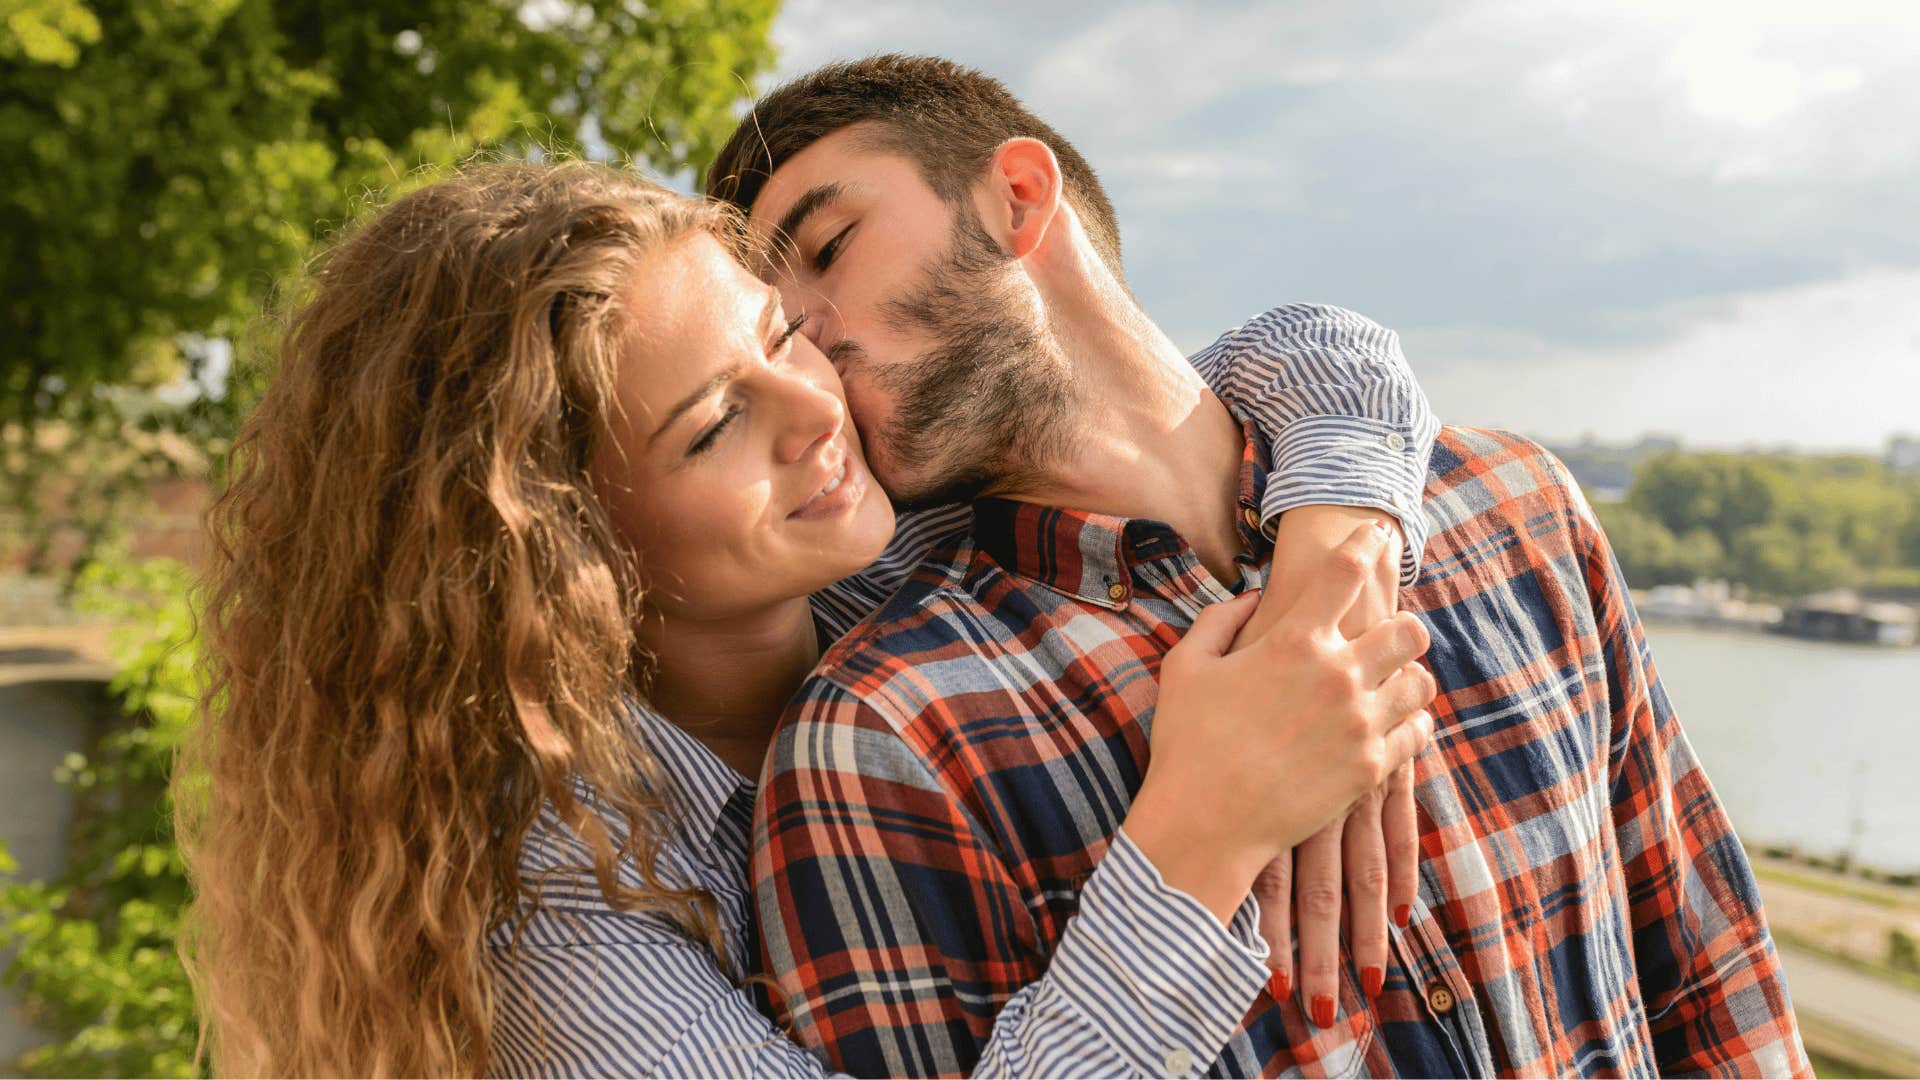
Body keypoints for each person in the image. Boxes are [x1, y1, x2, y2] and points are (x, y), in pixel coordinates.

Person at [179, 159, 1441, 1077]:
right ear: (558, 547)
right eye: (718, 424)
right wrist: (1200, 837)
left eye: (785, 333)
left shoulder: (895, 551)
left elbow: (1297, 358)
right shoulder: (557, 915)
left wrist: (1335, 563)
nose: (816, 408)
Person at [711, 55, 1811, 1078]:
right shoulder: (878, 742)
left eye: (828, 246)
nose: (806, 335)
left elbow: (1714, 988)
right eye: (774, 329)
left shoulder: (1516, 508)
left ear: (1018, 198)